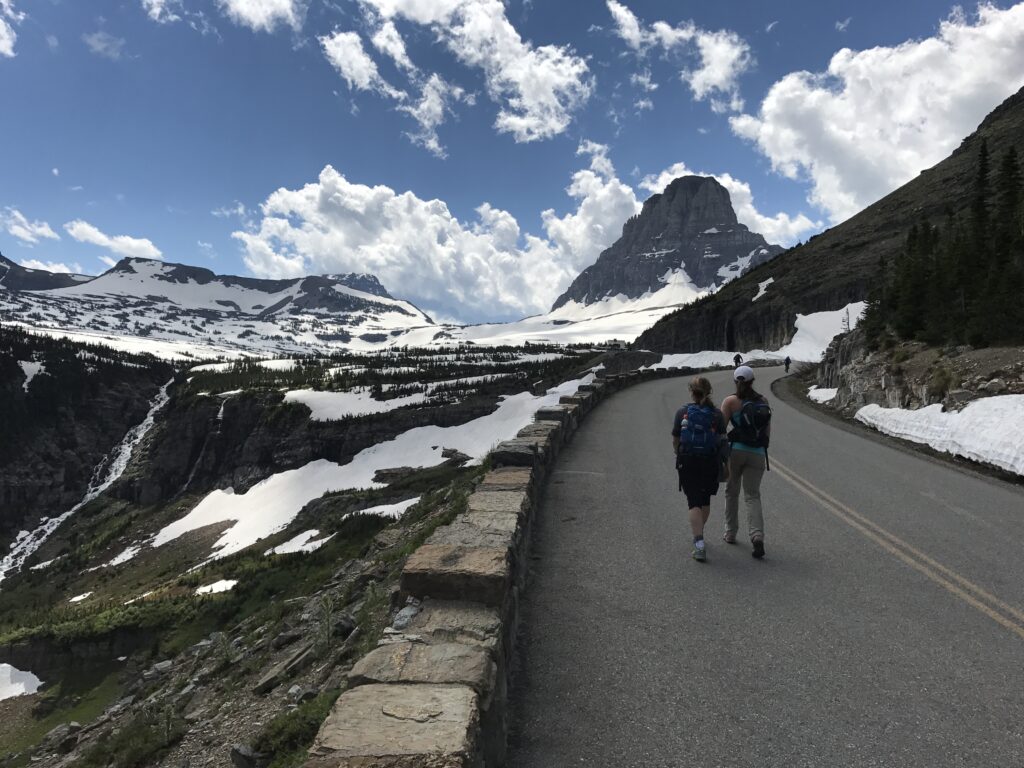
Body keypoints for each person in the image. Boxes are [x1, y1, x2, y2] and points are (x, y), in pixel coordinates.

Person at [672, 376, 727, 562]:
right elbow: (721, 439)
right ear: (709, 391)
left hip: (688, 460)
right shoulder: (717, 414)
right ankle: (699, 534)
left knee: (693, 501)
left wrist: (678, 453)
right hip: (709, 461)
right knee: (705, 501)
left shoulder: (682, 412)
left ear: (691, 392)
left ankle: (699, 542)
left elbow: (676, 438)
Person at [721, 365, 772, 559]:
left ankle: (730, 532)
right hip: (758, 453)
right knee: (752, 495)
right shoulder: (763, 401)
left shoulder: (730, 401)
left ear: (736, 381)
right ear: (753, 381)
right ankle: (757, 536)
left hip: (735, 451)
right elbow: (767, 432)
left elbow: (721, 429)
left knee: (732, 492)